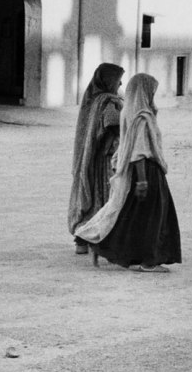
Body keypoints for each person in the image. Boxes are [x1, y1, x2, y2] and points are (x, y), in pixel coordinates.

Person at [74, 72, 181, 273]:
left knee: (131, 215)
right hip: (147, 171)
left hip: (133, 170)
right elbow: (140, 150)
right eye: (151, 91)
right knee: (154, 217)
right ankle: (149, 261)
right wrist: (142, 181)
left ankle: (109, 247)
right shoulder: (142, 117)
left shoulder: (129, 112)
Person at [68, 63, 124, 254]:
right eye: (118, 79)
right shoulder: (107, 101)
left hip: (90, 157)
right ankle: (97, 240)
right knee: (104, 199)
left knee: (90, 196)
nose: (121, 83)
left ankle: (81, 240)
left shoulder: (91, 99)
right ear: (109, 81)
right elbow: (111, 122)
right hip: (104, 159)